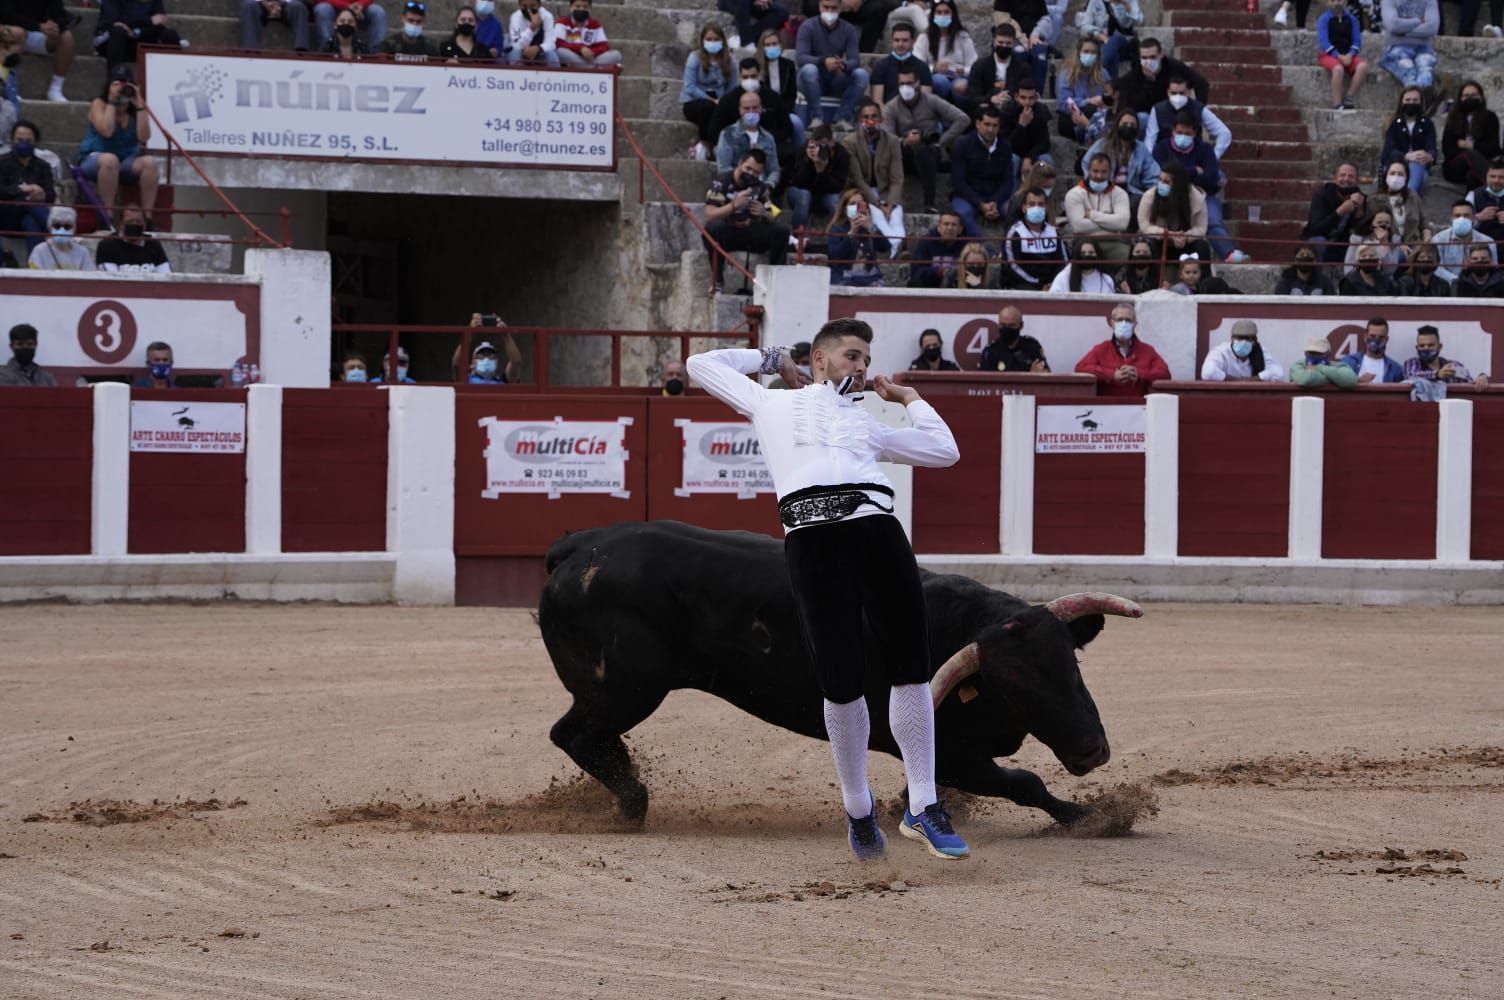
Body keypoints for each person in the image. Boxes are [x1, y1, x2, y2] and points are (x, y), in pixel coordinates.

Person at [686, 319, 969, 863]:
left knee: (911, 665)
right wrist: (773, 359)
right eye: (852, 355)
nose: (861, 367)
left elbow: (944, 450)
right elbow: (703, 366)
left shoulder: (869, 425)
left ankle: (924, 805)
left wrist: (910, 398)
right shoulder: (771, 404)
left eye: (866, 358)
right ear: (819, 359)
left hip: (879, 532)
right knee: (841, 680)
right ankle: (859, 810)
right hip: (814, 541)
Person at [1154, 110, 1238, 262]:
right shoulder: (1162, 148)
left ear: (1194, 133)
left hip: (1203, 194)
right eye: (1179, 132)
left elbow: (1212, 177)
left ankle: (1229, 254)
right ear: (1173, 130)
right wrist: (1194, 171)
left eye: (1187, 133)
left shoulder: (1204, 150)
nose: (1183, 137)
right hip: (1170, 194)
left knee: (1212, 219)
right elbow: (1161, 173)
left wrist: (1179, 176)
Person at [80, 65, 158, 227]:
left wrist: (139, 104)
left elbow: (144, 137)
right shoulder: (99, 103)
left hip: (125, 161)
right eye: (118, 84)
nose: (122, 89)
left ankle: (148, 217)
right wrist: (112, 102)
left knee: (150, 162)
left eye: (126, 85)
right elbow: (106, 131)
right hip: (97, 159)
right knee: (110, 160)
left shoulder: (134, 110)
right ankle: (106, 214)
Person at [883, 66, 968, 213]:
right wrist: (905, 141)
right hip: (904, 155)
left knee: (923, 149)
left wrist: (942, 141)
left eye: (909, 83)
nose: (905, 87)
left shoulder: (931, 100)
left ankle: (929, 203)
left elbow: (963, 119)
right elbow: (886, 138)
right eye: (902, 84)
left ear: (918, 83)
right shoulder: (891, 107)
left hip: (931, 151)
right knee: (916, 148)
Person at [703, 149, 789, 290]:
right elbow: (709, 215)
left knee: (782, 230)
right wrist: (734, 205)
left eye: (756, 172)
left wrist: (764, 213)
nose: (751, 174)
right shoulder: (721, 182)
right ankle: (717, 281)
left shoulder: (761, 188)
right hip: (728, 231)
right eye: (748, 168)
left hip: (751, 231)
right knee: (713, 227)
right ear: (740, 163)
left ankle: (775, 283)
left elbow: (773, 215)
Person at [842, 99, 904, 253]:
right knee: (878, 216)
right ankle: (894, 250)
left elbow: (897, 177)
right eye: (866, 117)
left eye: (874, 116)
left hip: (885, 191)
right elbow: (858, 179)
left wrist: (891, 203)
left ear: (881, 119)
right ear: (860, 120)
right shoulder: (850, 142)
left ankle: (895, 250)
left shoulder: (892, 141)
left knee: (896, 217)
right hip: (862, 193)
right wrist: (879, 204)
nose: (870, 120)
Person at [796, 0, 868, 128]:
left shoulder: (848, 29)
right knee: (809, 70)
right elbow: (801, 58)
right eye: (826, 7)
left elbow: (854, 60)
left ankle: (841, 118)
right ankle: (816, 117)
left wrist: (843, 65)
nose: (829, 11)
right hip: (811, 79)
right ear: (819, 7)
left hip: (836, 77)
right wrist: (823, 61)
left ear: (840, 8)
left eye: (834, 8)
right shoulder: (808, 26)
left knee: (861, 75)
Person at [1074, 301, 1170, 397]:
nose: (1124, 324)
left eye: (1128, 320)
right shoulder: (1102, 349)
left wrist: (1139, 374)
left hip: (1138, 408)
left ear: (1135, 325)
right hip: (1108, 407)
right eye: (1119, 320)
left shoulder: (1147, 350)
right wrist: (1112, 374)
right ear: (1112, 323)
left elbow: (1164, 373)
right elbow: (1081, 368)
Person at [950, 105, 1012, 236]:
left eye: (995, 125)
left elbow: (1008, 181)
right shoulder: (963, 144)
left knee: (1016, 212)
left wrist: (994, 202)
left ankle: (1010, 249)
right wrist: (981, 204)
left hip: (996, 198)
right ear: (978, 124)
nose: (991, 129)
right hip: (968, 197)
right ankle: (986, 248)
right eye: (987, 124)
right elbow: (958, 182)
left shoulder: (1005, 146)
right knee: (962, 215)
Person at [1143, 76, 1232, 163]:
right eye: (1174, 93)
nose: (1177, 97)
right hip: (1165, 158)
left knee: (1218, 177)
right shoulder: (1158, 109)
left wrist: (1213, 158)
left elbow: (1224, 133)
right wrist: (1152, 164)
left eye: (1182, 93)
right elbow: (1150, 140)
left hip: (1193, 158)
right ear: (1168, 92)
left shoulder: (1199, 108)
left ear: (1189, 92)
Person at [1085, 110, 1159, 214]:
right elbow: (1087, 164)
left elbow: (1152, 174)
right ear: (1117, 125)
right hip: (1105, 189)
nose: (1128, 127)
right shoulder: (1102, 145)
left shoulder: (1141, 149)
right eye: (1125, 124)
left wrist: (1156, 190)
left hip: (1131, 192)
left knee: (1138, 202)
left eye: (1132, 125)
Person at [0, 0, 73, 102]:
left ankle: (55, 89)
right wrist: (37, 26)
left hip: (39, 33)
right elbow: (7, 16)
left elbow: (61, 15)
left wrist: (55, 27)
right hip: (12, 31)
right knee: (18, 33)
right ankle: (9, 85)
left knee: (66, 36)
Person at [1117, 37, 1208, 117]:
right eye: (1144, 58)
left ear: (1161, 55)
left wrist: (1197, 111)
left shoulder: (1173, 66)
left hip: (1173, 114)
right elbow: (1132, 105)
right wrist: (1149, 82)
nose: (1148, 61)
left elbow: (1201, 83)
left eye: (1153, 57)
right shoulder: (1136, 73)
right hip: (1148, 116)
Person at [1138, 161, 1208, 261]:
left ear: (1178, 184)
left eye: (1166, 182)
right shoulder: (1150, 196)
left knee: (1202, 246)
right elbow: (1144, 225)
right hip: (1160, 241)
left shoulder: (1197, 198)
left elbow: (1201, 228)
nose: (1161, 184)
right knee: (1150, 244)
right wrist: (1168, 235)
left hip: (1185, 243)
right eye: (1160, 180)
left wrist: (1186, 237)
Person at [784, 123, 848, 232]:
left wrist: (821, 171)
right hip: (800, 193)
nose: (819, 150)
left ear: (832, 141)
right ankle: (797, 238)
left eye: (823, 145)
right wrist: (808, 162)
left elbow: (837, 187)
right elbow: (798, 182)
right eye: (817, 145)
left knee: (835, 202)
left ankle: (840, 238)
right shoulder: (804, 149)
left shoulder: (841, 154)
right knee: (805, 196)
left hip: (825, 194)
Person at [1063, 153, 1130, 258]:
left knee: (1130, 257)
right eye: (1095, 171)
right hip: (1083, 243)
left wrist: (1092, 215)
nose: (1099, 176)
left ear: (1109, 173)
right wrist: (1110, 222)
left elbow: (1122, 224)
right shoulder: (1074, 194)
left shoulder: (1120, 193)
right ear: (1088, 171)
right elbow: (1079, 226)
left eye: (1104, 172)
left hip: (1113, 243)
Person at [0, 120, 53, 251]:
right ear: (12, 140)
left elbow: (51, 194)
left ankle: (35, 267)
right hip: (6, 215)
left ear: (35, 142)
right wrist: (23, 190)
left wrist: (42, 193)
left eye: (28, 140)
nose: (24, 144)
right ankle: (55, 229)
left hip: (30, 216)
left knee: (32, 223)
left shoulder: (43, 166)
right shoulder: (2, 162)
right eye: (19, 140)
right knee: (29, 201)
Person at [682, 23, 731, 159]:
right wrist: (711, 100)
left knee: (723, 111)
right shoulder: (694, 57)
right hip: (695, 101)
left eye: (716, 39)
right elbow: (689, 87)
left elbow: (732, 88)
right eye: (709, 39)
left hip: (720, 100)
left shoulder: (729, 61)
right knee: (707, 107)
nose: (712, 42)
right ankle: (705, 144)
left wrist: (724, 101)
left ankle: (718, 147)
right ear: (703, 41)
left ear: (722, 41)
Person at [1301, 162, 1366, 263]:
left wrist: (1360, 209)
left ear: (1357, 181)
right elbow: (1316, 229)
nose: (1346, 179)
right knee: (1318, 241)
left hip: (1344, 246)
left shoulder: (1361, 199)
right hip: (1321, 243)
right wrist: (1339, 212)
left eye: (1351, 176)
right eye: (1342, 175)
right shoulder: (1322, 196)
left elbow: (1363, 231)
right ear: (1335, 179)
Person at [92, 0, 181, 74]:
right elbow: (113, 20)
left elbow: (159, 22)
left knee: (170, 35)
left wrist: (136, 32)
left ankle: (172, 84)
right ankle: (114, 84)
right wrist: (149, 21)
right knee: (118, 31)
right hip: (112, 41)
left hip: (141, 38)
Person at [717, 88, 782, 187]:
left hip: (761, 189)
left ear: (761, 109)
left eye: (755, 108)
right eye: (746, 108)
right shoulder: (727, 134)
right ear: (740, 110)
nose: (751, 112)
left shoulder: (768, 138)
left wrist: (768, 186)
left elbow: (774, 169)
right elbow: (723, 168)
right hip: (735, 188)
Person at [1441, 81, 1501, 190]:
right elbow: (1448, 149)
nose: (1470, 98)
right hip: (1455, 166)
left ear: (1481, 97)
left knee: (1472, 176)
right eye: (1466, 96)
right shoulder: (1453, 118)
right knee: (1470, 155)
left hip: (1483, 163)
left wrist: (1470, 145)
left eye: (1474, 95)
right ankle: (1498, 186)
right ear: (1460, 98)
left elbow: (1493, 147)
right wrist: (1472, 150)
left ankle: (1472, 203)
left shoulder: (1490, 117)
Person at [1004, 187, 1066, 289]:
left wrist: (1054, 283)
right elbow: (1012, 266)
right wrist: (1038, 284)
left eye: (1040, 204)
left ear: (1046, 207)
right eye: (1032, 204)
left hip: (1054, 286)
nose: (1036, 208)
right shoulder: (1015, 233)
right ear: (1024, 207)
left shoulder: (1053, 232)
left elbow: (1064, 261)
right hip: (1025, 285)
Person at [963, 21, 1030, 117]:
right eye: (1000, 42)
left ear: (1014, 43)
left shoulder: (1022, 68)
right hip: (986, 109)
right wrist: (991, 99)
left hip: (1012, 110)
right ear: (994, 41)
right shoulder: (980, 66)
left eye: (1008, 43)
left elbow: (1025, 92)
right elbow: (972, 96)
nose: (1004, 46)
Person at [914, 0, 975, 103]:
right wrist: (934, 68)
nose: (943, 15)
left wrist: (963, 70)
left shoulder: (962, 36)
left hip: (958, 77)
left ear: (953, 14)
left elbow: (973, 64)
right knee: (940, 81)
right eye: (939, 12)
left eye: (946, 12)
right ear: (933, 15)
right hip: (935, 78)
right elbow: (917, 63)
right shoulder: (924, 38)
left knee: (961, 85)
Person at [827, 189, 890, 286]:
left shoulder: (869, 227)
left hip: (869, 277)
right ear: (845, 209)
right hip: (845, 277)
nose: (856, 208)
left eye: (859, 204)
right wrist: (851, 233)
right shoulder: (837, 229)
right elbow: (835, 257)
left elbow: (885, 247)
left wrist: (871, 228)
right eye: (852, 204)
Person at [1380, 86, 1437, 193]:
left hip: (1419, 165)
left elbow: (1432, 146)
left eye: (1415, 100)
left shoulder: (1427, 123)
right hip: (1395, 163)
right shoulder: (1393, 123)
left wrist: (1429, 156)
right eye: (1408, 100)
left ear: (1421, 102)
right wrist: (1407, 156)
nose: (1411, 103)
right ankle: (1407, 198)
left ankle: (1408, 197)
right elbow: (1389, 150)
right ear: (1401, 102)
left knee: (1417, 166)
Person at [1315, 0, 1367, 110]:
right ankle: (1337, 103)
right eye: (1333, 0)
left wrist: (1350, 54)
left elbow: (1356, 40)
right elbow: (1324, 41)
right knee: (1338, 69)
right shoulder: (1324, 19)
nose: (1337, 3)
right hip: (1328, 55)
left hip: (1348, 54)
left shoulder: (1352, 19)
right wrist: (1337, 55)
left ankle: (1349, 97)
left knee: (1362, 66)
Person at [1055, 36, 1106, 145]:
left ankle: (1089, 135)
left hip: (1096, 116)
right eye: (1086, 51)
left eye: (1093, 52)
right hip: (1072, 116)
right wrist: (1088, 101)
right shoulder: (1067, 73)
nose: (1090, 55)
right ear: (1079, 53)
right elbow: (1063, 103)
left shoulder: (1103, 74)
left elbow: (1111, 96)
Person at [1430, 200, 1498, 282]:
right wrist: (1458, 282)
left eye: (1466, 215)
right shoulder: (1439, 239)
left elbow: (1493, 268)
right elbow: (1437, 269)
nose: (1461, 219)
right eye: (1457, 216)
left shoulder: (1488, 241)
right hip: (1448, 287)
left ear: (1473, 218)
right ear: (1451, 218)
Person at [754, 29, 800, 147]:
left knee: (797, 123)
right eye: (767, 45)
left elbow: (792, 94)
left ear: (780, 44)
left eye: (774, 44)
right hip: (764, 109)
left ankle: (799, 155)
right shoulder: (756, 66)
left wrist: (784, 111)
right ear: (762, 47)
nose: (771, 47)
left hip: (784, 109)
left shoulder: (788, 65)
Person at [1377, 0, 1438, 89]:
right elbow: (1393, 25)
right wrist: (1418, 21)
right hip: (1397, 47)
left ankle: (1419, 100)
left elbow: (1432, 28)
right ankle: (1413, 99)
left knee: (1426, 77)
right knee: (1410, 78)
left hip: (1424, 48)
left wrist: (1403, 32)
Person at [1404, 325, 1490, 387]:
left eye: (1430, 345)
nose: (1426, 348)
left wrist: (1482, 378)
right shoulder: (1411, 363)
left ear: (1440, 346)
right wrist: (1437, 374)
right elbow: (1411, 376)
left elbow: (1470, 381)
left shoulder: (1453, 366)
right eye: (1422, 346)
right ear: (1417, 348)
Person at [1000, 79, 1051, 184]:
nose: (1027, 102)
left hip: (1034, 155)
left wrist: (1029, 158)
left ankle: (1043, 198)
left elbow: (1044, 143)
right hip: (1013, 154)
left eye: (1031, 98)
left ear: (1036, 97)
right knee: (1012, 160)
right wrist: (1021, 126)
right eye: (1023, 98)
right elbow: (1005, 144)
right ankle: (1012, 199)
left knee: (1046, 161)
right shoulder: (1007, 111)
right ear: (1016, 97)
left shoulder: (1041, 112)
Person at [868, 21, 931, 105]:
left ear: (913, 42)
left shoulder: (922, 67)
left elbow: (925, 101)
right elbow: (877, 101)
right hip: (888, 114)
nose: (900, 44)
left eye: (905, 40)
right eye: (897, 40)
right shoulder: (880, 66)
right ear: (892, 41)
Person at [1201, 320, 1285, 382]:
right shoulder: (1221, 352)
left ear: (1255, 340)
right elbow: (1208, 373)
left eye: (1248, 338)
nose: (1243, 342)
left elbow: (1278, 373)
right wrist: (1236, 381)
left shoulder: (1260, 351)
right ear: (1232, 338)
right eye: (1239, 338)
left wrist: (1254, 379)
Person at [96, 204, 170, 273]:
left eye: (138, 222)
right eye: (130, 221)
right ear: (121, 224)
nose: (134, 224)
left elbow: (165, 275)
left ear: (144, 225)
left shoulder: (153, 244)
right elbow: (110, 278)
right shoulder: (107, 245)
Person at [1077, 0, 1142, 79]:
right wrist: (1100, 35)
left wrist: (1126, 5)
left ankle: (1094, 69)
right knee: (1113, 55)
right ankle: (1110, 84)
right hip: (1103, 44)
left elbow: (1139, 21)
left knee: (1115, 40)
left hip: (1124, 43)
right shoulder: (1096, 2)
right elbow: (1085, 26)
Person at [907, 210, 968, 287]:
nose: (950, 228)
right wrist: (940, 271)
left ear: (960, 229)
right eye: (946, 224)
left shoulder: (967, 245)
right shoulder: (926, 242)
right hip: (931, 285)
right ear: (939, 228)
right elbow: (916, 271)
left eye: (954, 225)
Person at [980, 304, 1048, 371]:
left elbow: (1046, 373)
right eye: (1003, 325)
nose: (1007, 329)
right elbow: (984, 379)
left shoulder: (1032, 346)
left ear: (1021, 325)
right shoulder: (991, 351)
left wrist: (1036, 376)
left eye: (1011, 325)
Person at [1376, 159, 1429, 243]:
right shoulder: (1375, 199)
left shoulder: (1413, 196)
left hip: (1413, 245)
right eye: (1392, 173)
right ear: (1386, 176)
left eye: (1400, 174)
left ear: (1406, 178)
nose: (1396, 177)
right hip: (1388, 246)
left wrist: (1427, 241)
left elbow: (1424, 223)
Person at [1337, 316, 1404, 383]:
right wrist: (1357, 380)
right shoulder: (1349, 362)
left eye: (1381, 337)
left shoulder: (1395, 369)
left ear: (1386, 339)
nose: (1376, 340)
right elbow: (1336, 384)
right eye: (1372, 336)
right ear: (1365, 337)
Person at [553, 0, 619, 67]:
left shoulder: (595, 24)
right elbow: (558, 43)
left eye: (585, 7)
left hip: (590, 58)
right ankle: (591, 68)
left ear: (590, 9)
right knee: (560, 51)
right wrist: (580, 49)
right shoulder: (562, 21)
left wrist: (592, 52)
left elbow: (604, 45)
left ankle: (587, 68)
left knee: (616, 55)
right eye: (577, 6)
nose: (581, 9)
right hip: (572, 56)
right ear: (571, 8)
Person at [1343, 208, 1407, 275]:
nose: (1383, 225)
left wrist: (1384, 242)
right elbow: (1348, 267)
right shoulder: (1358, 238)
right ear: (1372, 223)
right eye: (1379, 222)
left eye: (1387, 223)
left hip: (1382, 279)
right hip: (1360, 277)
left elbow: (1390, 270)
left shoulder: (1394, 239)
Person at [27, 204, 91, 270]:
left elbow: (90, 276)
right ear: (50, 227)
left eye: (67, 226)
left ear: (73, 228)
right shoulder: (39, 251)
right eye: (57, 226)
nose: (62, 230)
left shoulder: (83, 253)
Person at [1289, 335, 1359, 388]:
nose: (1314, 356)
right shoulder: (1298, 365)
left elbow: (1350, 380)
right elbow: (1306, 379)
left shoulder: (1339, 366)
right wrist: (1335, 379)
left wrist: (1319, 367)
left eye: (1319, 353)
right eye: (1311, 353)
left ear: (1328, 354)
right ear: (1305, 353)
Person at [313, 0, 386, 51]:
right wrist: (346, 6)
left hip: (358, 7)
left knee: (378, 12)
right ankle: (327, 50)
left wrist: (360, 5)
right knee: (322, 9)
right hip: (332, 6)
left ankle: (378, 53)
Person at [1048, 237, 1112, 293]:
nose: (1087, 255)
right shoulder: (1063, 278)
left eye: (1091, 252)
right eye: (1083, 253)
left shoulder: (1107, 280)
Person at [240, 0, 311, 52]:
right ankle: (251, 50)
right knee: (249, 6)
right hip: (258, 3)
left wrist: (280, 3)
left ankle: (301, 49)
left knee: (299, 7)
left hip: (286, 4)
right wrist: (265, 3)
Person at [1466, 159, 1504, 242]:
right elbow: (1461, 227)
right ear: (1486, 176)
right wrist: (1478, 218)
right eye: (1492, 176)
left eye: (1501, 177)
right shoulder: (1473, 195)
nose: (1496, 181)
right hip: (1481, 247)